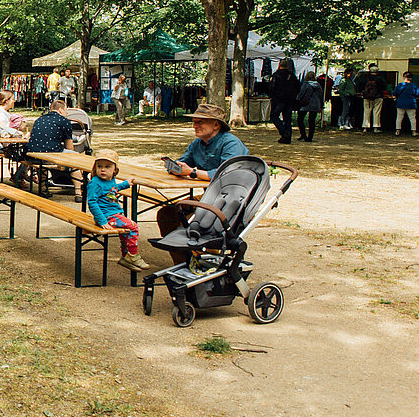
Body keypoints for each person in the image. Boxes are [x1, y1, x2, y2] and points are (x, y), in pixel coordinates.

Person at [157, 103, 250, 263]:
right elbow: (184, 162)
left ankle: (205, 261)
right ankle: (183, 262)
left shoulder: (230, 143)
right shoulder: (197, 143)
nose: (195, 125)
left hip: (231, 203)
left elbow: (227, 174)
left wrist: (192, 172)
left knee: (191, 220)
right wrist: (175, 166)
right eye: (194, 121)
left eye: (200, 122)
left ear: (216, 124)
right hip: (209, 198)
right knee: (166, 214)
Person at [86, 150, 148, 272]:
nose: (103, 170)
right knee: (133, 226)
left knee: (126, 232)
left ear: (115, 170)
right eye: (99, 166)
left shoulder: (110, 180)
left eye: (107, 166)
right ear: (95, 168)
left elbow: (112, 189)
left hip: (114, 214)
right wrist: (102, 221)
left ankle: (125, 257)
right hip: (106, 217)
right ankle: (133, 256)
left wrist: (125, 184)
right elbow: (92, 203)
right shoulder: (95, 184)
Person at [11, 99, 83, 201]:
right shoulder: (64, 121)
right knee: (76, 158)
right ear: (61, 110)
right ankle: (78, 192)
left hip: (32, 155)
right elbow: (69, 147)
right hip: (49, 155)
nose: (66, 114)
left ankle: (43, 188)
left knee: (42, 154)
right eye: (66, 111)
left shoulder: (39, 119)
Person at [270, 58, 300, 144]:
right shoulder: (292, 76)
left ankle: (284, 132)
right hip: (289, 100)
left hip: (278, 99)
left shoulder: (276, 75)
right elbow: (298, 87)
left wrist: (272, 96)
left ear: (279, 65)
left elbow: (272, 87)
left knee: (274, 116)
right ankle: (287, 137)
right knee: (287, 119)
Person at [295, 70, 324, 141]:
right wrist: (321, 105)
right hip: (315, 105)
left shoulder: (305, 85)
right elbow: (321, 96)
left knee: (300, 119)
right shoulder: (318, 85)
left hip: (305, 104)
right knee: (311, 121)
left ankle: (303, 134)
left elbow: (301, 94)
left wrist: (297, 100)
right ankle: (310, 137)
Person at [359, 64, 388, 133]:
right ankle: (376, 127)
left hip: (367, 97)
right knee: (377, 111)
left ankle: (365, 127)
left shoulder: (365, 77)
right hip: (378, 96)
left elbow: (360, 85)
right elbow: (385, 86)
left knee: (366, 111)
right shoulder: (380, 78)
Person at [394, 71, 417, 136]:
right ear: (411, 78)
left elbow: (394, 93)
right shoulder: (414, 86)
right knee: (412, 118)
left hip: (400, 103)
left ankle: (397, 130)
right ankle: (414, 131)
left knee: (399, 117)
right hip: (411, 103)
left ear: (404, 77)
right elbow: (417, 94)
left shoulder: (400, 85)